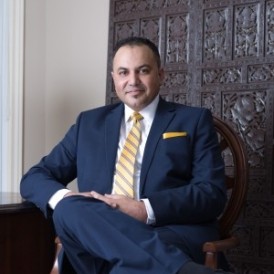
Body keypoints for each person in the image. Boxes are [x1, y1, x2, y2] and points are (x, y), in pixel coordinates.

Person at [20, 37, 234, 274]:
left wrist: (144, 209)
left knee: (129, 268)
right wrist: (73, 199)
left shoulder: (193, 120)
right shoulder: (89, 124)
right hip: (96, 238)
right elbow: (34, 178)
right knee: (67, 206)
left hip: (167, 231)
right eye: (123, 72)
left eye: (143, 71)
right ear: (114, 79)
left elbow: (211, 194)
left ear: (160, 75)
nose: (133, 81)